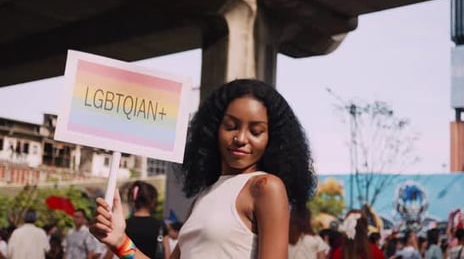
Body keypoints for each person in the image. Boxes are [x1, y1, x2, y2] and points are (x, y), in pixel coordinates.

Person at [90, 79, 316, 258]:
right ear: (213, 129)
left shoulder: (266, 187)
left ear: (271, 139)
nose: (240, 138)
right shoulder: (203, 197)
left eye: (256, 131)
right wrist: (119, 241)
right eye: (231, 126)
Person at [124, 180, 169, 259]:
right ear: (153, 201)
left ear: (134, 200)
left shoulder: (124, 224)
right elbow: (167, 255)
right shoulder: (160, 225)